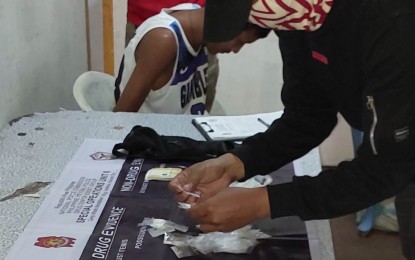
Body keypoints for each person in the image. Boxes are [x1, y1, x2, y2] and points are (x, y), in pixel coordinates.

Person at [169, 0, 415, 258]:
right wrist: (237, 162)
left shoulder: (394, 20)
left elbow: (386, 168)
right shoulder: (296, 16)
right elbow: (308, 115)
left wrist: (263, 202)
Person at [114, 3, 269, 114]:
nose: (235, 50)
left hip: (183, 140)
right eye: (239, 42)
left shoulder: (194, 15)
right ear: (225, 24)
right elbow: (121, 118)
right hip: (154, 148)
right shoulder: (163, 41)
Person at [124, 0, 217, 113]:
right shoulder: (161, 38)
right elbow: (123, 117)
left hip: (201, 19)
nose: (236, 50)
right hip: (146, 17)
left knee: (196, 108)